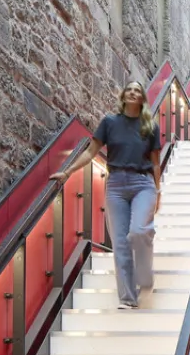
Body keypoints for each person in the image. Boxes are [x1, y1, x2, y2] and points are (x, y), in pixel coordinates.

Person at [51, 81, 161, 309]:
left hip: (143, 183)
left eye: (137, 90)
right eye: (129, 88)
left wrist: (158, 191)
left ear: (142, 99)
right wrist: (68, 171)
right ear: (123, 95)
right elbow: (91, 151)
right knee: (120, 243)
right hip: (116, 185)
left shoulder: (150, 126)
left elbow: (155, 163)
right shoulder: (110, 123)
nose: (132, 92)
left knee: (139, 231)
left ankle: (145, 277)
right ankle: (128, 299)